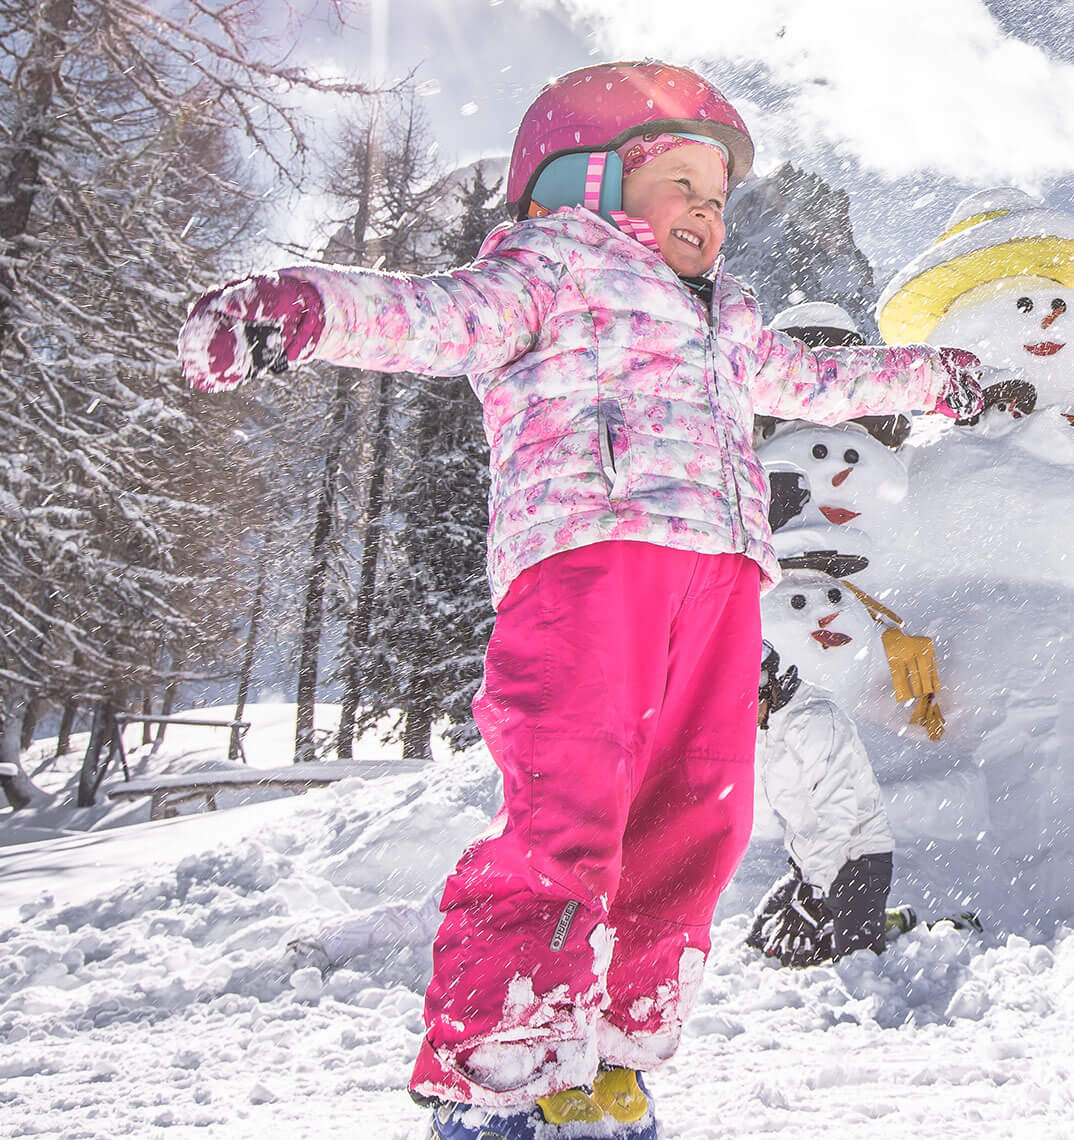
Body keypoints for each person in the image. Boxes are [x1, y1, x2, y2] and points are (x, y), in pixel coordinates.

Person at [179, 62, 983, 1140]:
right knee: (570, 815)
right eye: (683, 182)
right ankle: (500, 1067)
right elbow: (434, 317)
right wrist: (310, 308)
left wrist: (936, 379)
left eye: (718, 197)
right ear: (594, 182)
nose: (707, 210)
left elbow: (819, 380)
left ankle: (611, 1055)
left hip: (719, 579)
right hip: (589, 557)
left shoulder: (729, 319)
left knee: (701, 820)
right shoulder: (548, 265)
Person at [745, 640, 898, 967]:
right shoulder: (769, 723)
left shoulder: (815, 721)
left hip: (857, 858)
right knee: (762, 943)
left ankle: (924, 927)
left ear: (765, 685)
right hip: (811, 863)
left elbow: (837, 815)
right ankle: (863, 918)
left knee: (851, 963)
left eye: (742, 705)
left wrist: (813, 898)